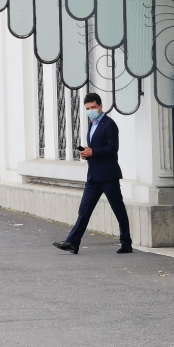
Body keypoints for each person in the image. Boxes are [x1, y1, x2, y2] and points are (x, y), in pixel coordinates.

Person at [53, 93, 132, 254]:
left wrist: (93, 152)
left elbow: (113, 148)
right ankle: (72, 242)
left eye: (93, 107)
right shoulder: (91, 124)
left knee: (118, 209)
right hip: (93, 176)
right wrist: (86, 153)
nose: (90, 111)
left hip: (108, 176)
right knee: (84, 210)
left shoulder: (109, 124)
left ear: (100, 106)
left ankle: (126, 243)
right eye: (88, 108)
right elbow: (94, 148)